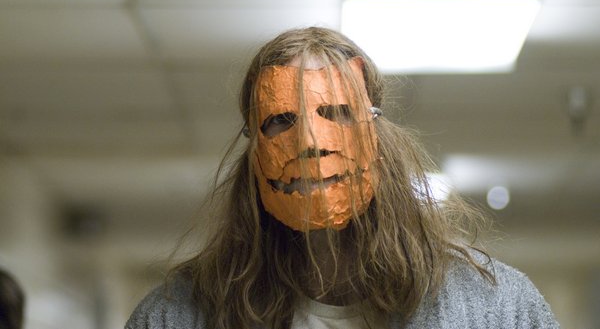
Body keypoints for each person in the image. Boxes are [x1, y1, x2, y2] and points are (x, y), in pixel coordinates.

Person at [126, 27, 559, 329]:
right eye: (281, 120)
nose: (311, 143)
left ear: (377, 136)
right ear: (253, 151)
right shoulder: (175, 316)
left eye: (336, 113)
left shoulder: (496, 308)